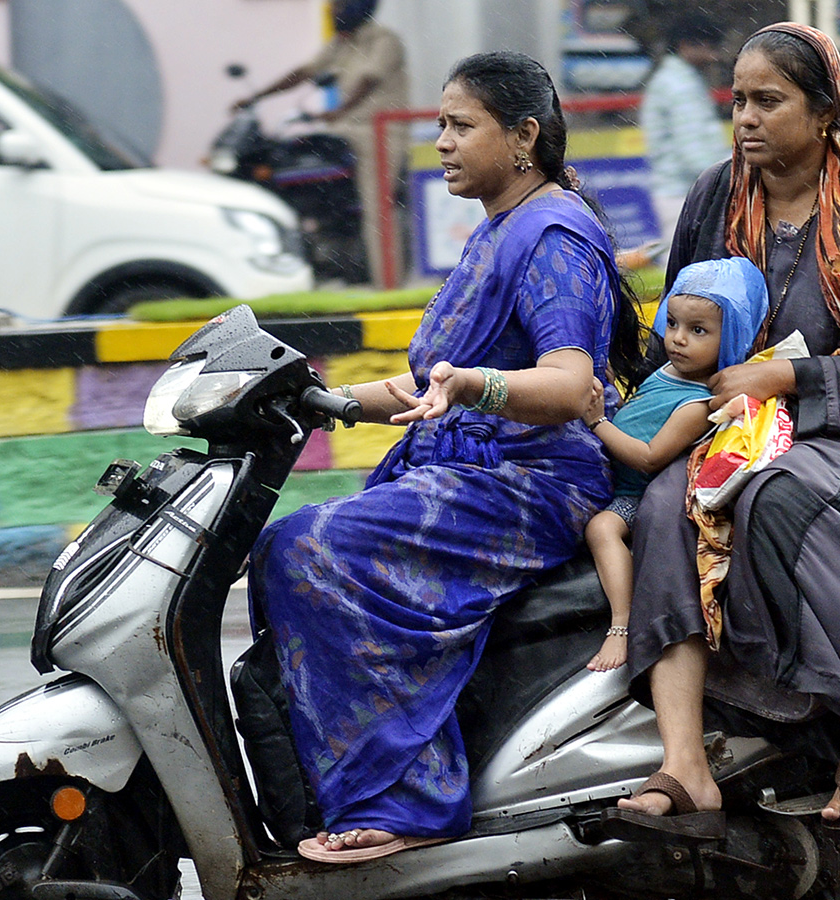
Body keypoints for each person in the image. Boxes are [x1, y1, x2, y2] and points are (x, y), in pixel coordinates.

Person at [249, 51, 645, 864]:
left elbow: (570, 386)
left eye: (462, 125)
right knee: (284, 544)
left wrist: (473, 389)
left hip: (531, 483)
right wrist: (323, 400)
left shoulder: (553, 237)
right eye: (440, 124)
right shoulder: (503, 225)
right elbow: (439, 377)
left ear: (524, 135)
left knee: (309, 549)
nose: (441, 143)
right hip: (468, 472)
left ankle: (406, 802)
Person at [601, 22, 840, 843]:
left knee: (779, 499)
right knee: (659, 506)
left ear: (825, 112)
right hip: (727, 428)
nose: (746, 119)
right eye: (738, 101)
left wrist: (784, 377)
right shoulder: (715, 199)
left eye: (769, 101)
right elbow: (676, 333)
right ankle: (685, 764)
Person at [582, 257, 767, 672]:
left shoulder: (697, 405)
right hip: (605, 471)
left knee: (602, 528)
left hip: (633, 493)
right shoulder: (667, 371)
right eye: (673, 325)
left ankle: (621, 625)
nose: (679, 340)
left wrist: (596, 422)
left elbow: (649, 458)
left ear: (732, 335)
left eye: (698, 331)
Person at [237, 0, 409, 287]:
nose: (332, 10)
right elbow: (303, 72)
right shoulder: (341, 44)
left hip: (377, 132)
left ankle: (386, 285)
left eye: (339, 5)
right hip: (343, 130)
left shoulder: (384, 40)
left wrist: (339, 110)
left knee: (378, 210)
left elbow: (368, 79)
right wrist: (257, 97)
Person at [640, 12, 730, 253]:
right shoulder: (679, 85)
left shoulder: (680, 79)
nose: (715, 56)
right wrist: (732, 176)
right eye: (710, 46)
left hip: (684, 193)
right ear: (686, 45)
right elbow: (695, 155)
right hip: (685, 195)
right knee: (690, 274)